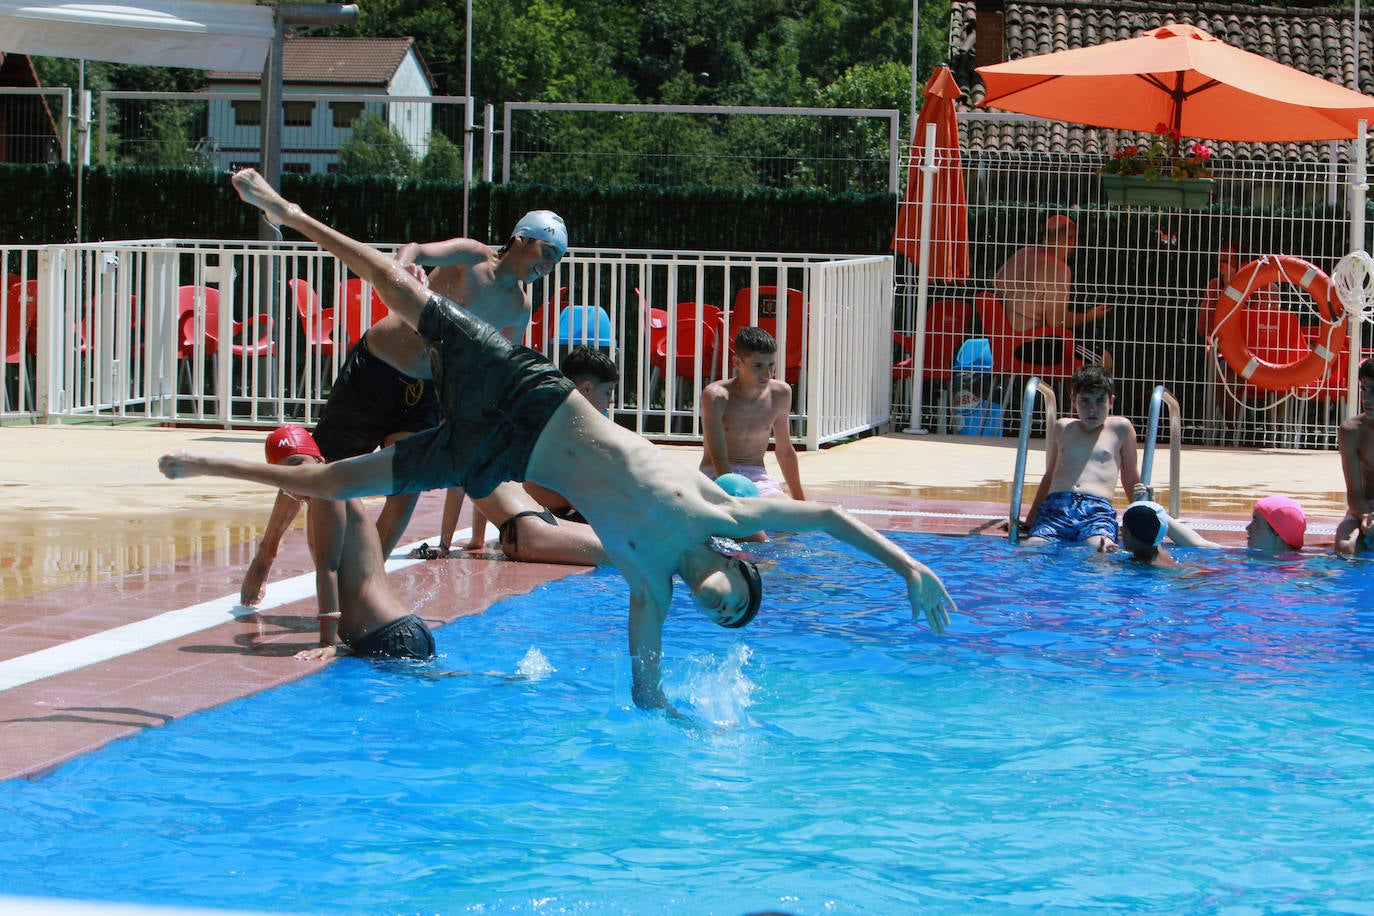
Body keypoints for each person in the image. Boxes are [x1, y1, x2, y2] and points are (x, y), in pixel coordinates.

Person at [159, 169, 956, 711]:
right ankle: (290, 214)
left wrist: (683, 734)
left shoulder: (650, 585)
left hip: (498, 454)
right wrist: (908, 567)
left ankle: (206, 463)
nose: (720, 608)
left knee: (342, 481)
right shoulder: (720, 513)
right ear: (738, 567)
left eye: (724, 620)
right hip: (529, 398)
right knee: (400, 288)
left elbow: (648, 693)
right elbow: (823, 521)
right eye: (735, 600)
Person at [239, 215, 564, 606]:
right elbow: (418, 249)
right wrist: (408, 266)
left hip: (425, 392)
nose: (548, 266)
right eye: (547, 252)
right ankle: (268, 550)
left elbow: (496, 368)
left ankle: (364, 584)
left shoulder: (518, 308)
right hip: (376, 369)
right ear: (521, 238)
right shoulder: (471, 258)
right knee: (317, 469)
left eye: (557, 259)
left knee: (404, 490)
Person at [254, 424, 436, 662]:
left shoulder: (326, 491)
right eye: (286, 471)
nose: (296, 474)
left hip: (390, 637)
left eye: (299, 463)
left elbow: (328, 568)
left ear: (319, 461)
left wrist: (327, 642)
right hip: (396, 633)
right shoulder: (333, 494)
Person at [419, 346, 618, 557]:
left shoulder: (493, 431)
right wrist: (446, 545)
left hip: (537, 519)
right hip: (527, 527)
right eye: (608, 392)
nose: (612, 400)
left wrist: (464, 541)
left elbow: (472, 484)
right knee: (622, 553)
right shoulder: (510, 429)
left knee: (626, 550)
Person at [1021, 365, 1147, 549]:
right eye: (1085, 401)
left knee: (1100, 550)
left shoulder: (1120, 429)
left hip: (1096, 510)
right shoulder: (1063, 428)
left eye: (1100, 401)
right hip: (1057, 507)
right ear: (1073, 400)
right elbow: (1050, 476)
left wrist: (1143, 522)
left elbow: (1130, 479)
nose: (1092, 409)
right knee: (1031, 549)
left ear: (1111, 401)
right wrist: (1030, 521)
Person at [991, 214, 1112, 368]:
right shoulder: (1059, 269)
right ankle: (1081, 393)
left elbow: (995, 285)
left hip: (1002, 343)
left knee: (1073, 353)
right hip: (1033, 346)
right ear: (1070, 240)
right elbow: (1057, 321)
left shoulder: (1021, 254)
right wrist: (1090, 316)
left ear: (1044, 236)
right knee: (1103, 358)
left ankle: (1072, 392)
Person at [699, 325, 805, 501]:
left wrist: (800, 502)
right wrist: (737, 497)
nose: (767, 373)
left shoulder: (780, 394)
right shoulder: (716, 396)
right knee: (741, 517)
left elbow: (785, 451)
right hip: (717, 476)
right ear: (737, 363)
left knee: (786, 513)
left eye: (771, 365)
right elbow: (718, 459)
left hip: (757, 477)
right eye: (758, 366)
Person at [1118, 496, 1307, 566]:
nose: (1247, 528)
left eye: (1256, 522)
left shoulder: (1301, 568)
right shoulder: (1242, 556)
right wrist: (1151, 512)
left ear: (1277, 532)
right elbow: (1199, 544)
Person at [1335, 358, 1374, 557]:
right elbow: (1354, 493)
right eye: (1364, 389)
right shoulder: (1351, 431)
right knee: (1345, 547)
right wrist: (1366, 516)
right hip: (1365, 507)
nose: (1367, 399)